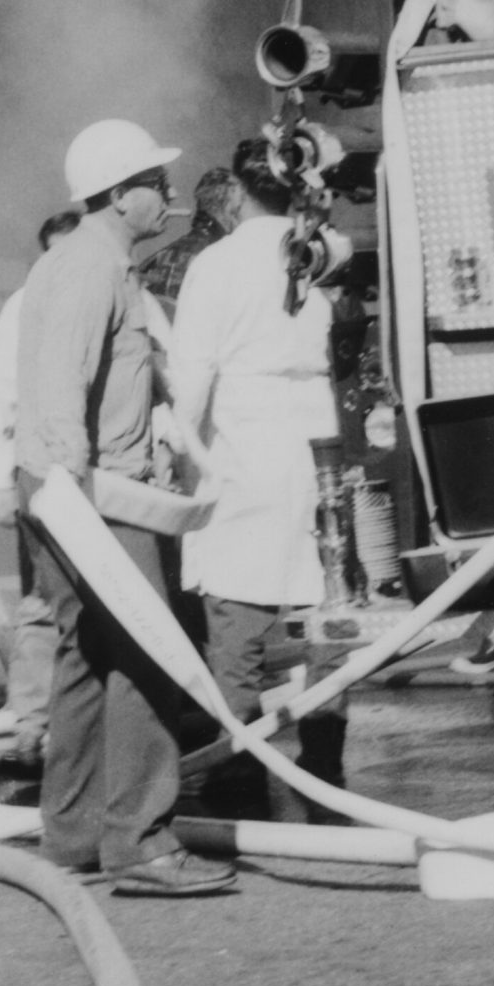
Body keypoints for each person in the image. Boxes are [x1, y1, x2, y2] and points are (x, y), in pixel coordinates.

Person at [17, 117, 233, 898]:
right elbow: (58, 385)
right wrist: (74, 489)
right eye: (153, 181)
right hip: (94, 495)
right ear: (117, 195)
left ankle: (73, 833)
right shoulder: (90, 270)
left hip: (71, 489)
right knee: (146, 658)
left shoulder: (93, 262)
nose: (168, 191)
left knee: (86, 659)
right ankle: (140, 842)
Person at [164, 135, 355, 816]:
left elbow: (191, 373)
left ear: (239, 193)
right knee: (324, 606)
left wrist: (178, 448)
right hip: (315, 436)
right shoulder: (319, 251)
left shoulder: (217, 265)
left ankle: (236, 766)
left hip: (242, 440)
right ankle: (325, 760)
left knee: (236, 613)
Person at [0, 217, 70, 772]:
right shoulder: (22, 307)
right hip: (45, 474)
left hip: (117, 475)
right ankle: (32, 729)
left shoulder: (124, 289)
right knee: (41, 604)